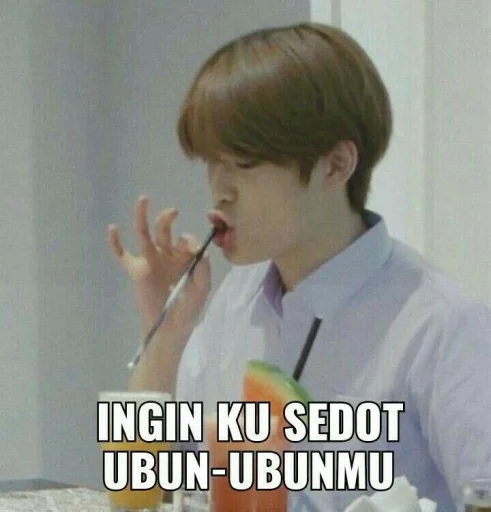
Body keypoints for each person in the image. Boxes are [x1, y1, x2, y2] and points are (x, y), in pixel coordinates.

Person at [107, 22, 491, 511]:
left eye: (244, 164)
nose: (219, 190)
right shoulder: (235, 299)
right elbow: (148, 488)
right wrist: (165, 333)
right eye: (211, 163)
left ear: (335, 165)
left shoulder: (442, 326)